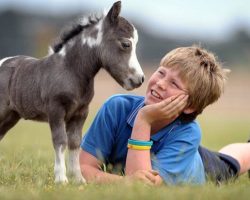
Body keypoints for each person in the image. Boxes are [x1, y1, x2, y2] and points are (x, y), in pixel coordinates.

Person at [79, 45, 250, 185]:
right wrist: (124, 182)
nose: (160, 83)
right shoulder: (116, 108)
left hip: (201, 166)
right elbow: (82, 168)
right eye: (161, 72)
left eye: (174, 83)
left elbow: (141, 191)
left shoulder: (188, 133)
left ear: (190, 105)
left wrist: (144, 120)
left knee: (234, 162)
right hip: (175, 151)